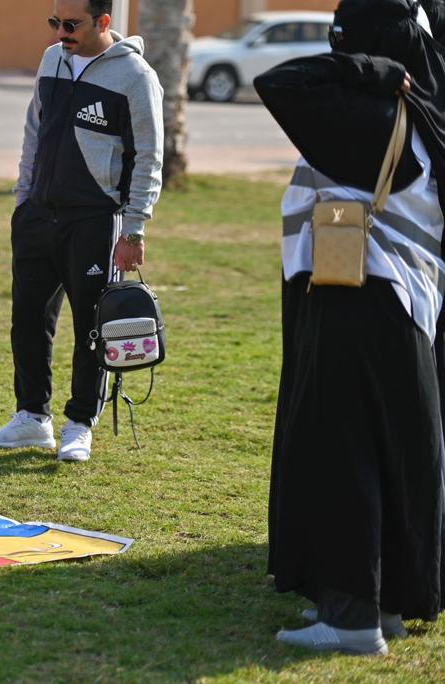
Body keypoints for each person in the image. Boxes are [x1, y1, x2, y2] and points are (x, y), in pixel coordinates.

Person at [255, 0, 445, 656]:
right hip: (408, 311)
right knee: (389, 457)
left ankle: (351, 617)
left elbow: (279, 82)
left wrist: (363, 69)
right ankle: (384, 605)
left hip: (356, 298)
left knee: (342, 459)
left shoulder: (369, 115)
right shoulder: (426, 114)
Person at [0, 0, 163, 462]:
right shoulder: (52, 59)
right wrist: (24, 199)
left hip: (94, 219)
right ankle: (31, 417)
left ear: (104, 21)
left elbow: (148, 157)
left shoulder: (136, 77)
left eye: (71, 24)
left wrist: (134, 230)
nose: (61, 32)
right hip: (38, 215)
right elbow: (33, 131)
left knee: (92, 327)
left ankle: (80, 424)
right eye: (55, 22)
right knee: (28, 320)